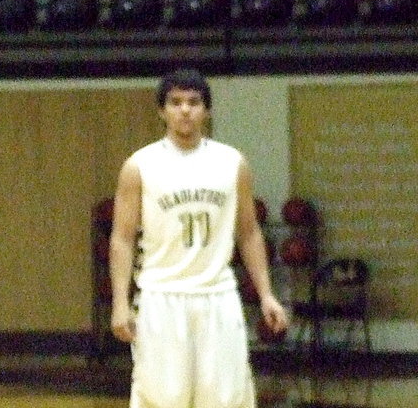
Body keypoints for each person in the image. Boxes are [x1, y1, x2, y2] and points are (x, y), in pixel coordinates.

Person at [109, 68, 289, 408]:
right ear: (161, 111)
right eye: (175, 103)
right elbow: (121, 238)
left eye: (193, 102)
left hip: (217, 295)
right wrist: (120, 302)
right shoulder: (139, 166)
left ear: (207, 110)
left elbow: (249, 233)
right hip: (162, 296)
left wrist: (267, 294)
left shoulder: (232, 163)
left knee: (226, 399)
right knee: (162, 400)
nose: (185, 110)